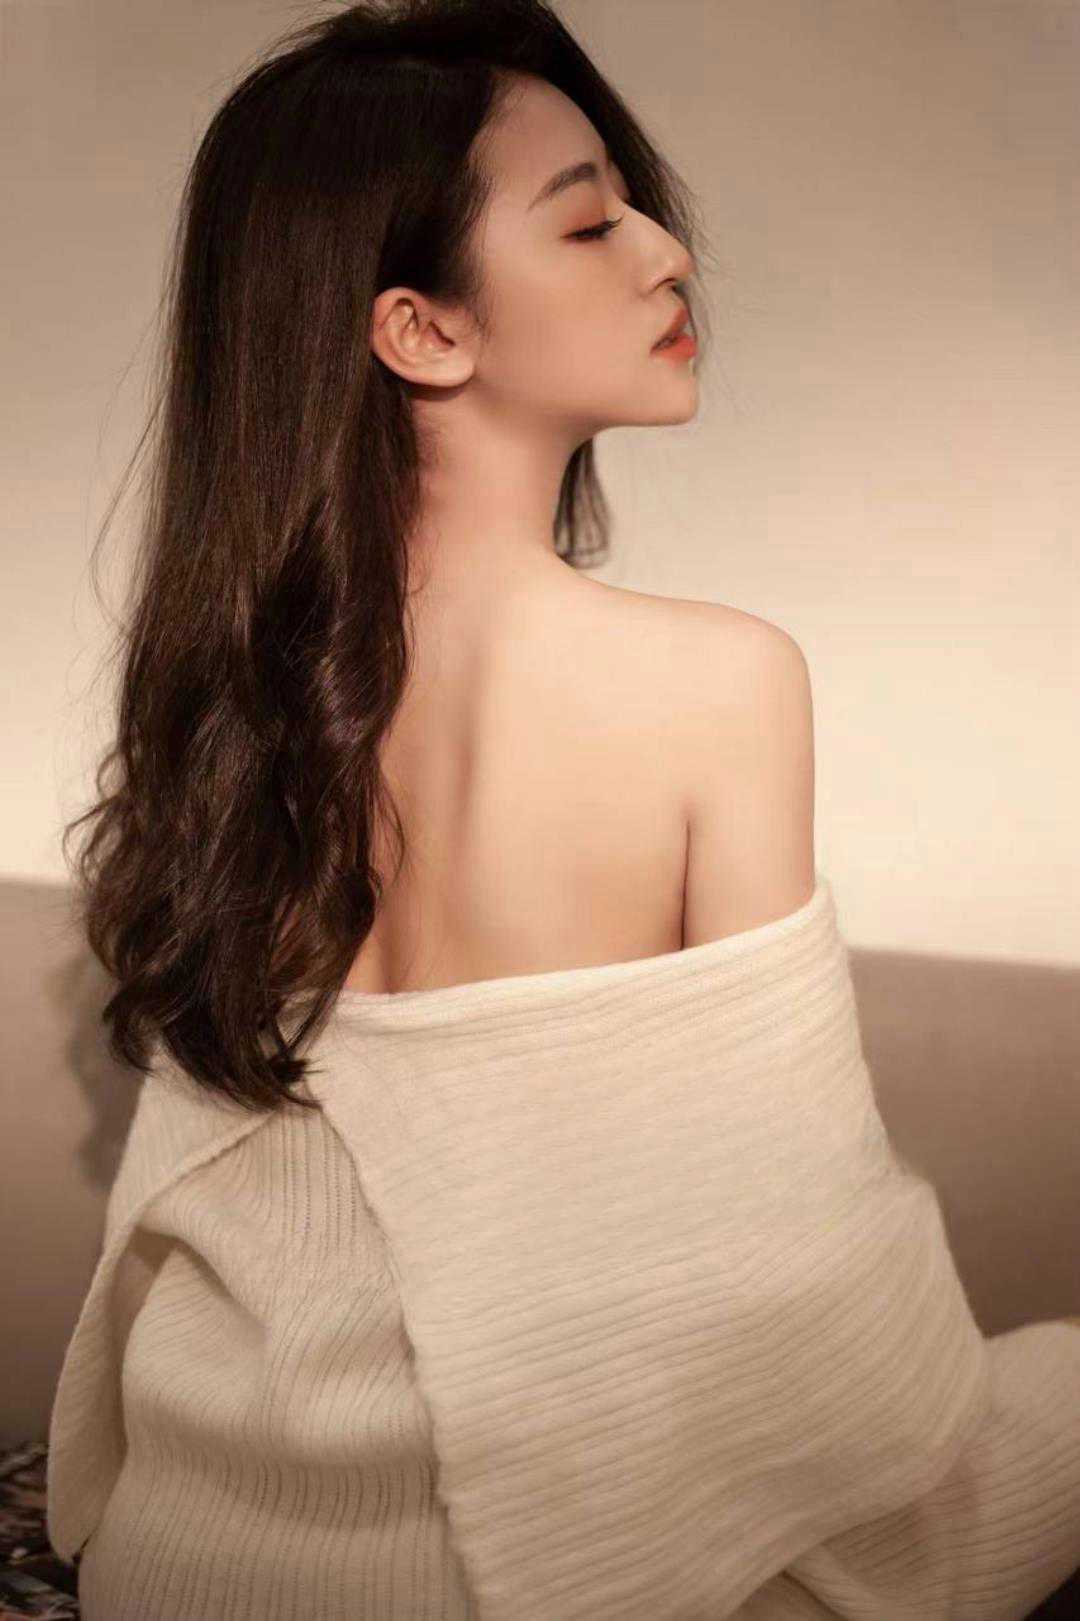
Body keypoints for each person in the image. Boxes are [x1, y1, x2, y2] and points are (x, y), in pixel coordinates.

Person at [45, 2, 1080, 1617]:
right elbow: (803, 1288)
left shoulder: (229, 704)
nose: (667, 254)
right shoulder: (720, 681)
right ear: (420, 331)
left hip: (189, 1547)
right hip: (528, 1579)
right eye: (592, 223)